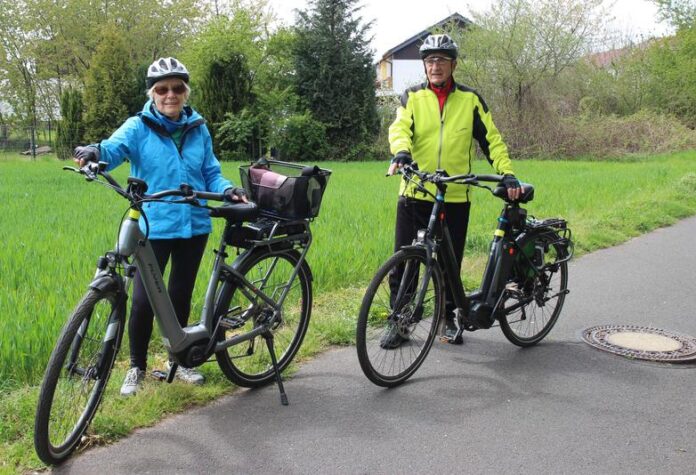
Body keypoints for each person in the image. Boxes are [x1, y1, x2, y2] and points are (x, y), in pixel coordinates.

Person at [73, 57, 248, 395]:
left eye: (177, 88)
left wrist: (227, 188)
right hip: (154, 225)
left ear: (186, 92)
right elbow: (114, 148)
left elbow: (211, 170)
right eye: (163, 89)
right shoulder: (139, 126)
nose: (170, 94)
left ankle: (178, 360)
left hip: (194, 223)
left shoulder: (198, 127)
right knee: (142, 302)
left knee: (179, 295)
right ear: (152, 93)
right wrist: (95, 151)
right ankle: (136, 366)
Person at [383, 34, 522, 349]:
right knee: (405, 262)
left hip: (455, 195)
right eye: (430, 60)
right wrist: (401, 153)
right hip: (416, 191)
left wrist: (507, 173)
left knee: (449, 264)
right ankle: (400, 321)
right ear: (425, 65)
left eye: (442, 60)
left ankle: (448, 316)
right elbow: (399, 129)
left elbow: (492, 140)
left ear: (453, 65)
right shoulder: (412, 97)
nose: (435, 66)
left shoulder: (470, 100)